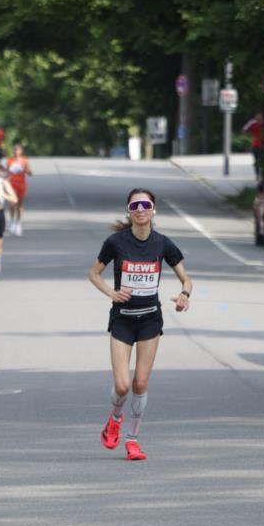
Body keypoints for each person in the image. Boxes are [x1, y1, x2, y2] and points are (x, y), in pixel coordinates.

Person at [88, 188, 192, 461]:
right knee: (122, 386)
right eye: (135, 205)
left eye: (146, 204)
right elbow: (94, 273)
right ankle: (115, 418)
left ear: (154, 210)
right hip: (122, 320)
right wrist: (111, 292)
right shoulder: (115, 242)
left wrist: (184, 296)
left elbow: (186, 279)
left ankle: (133, 440)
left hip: (149, 320)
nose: (141, 209)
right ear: (129, 211)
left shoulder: (163, 244)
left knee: (140, 383)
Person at [5, 141, 33, 235]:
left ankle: (18, 223)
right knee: (12, 203)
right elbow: (7, 172)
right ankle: (12, 221)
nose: (16, 151)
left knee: (20, 205)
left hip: (21, 184)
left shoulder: (24, 160)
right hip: (12, 184)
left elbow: (30, 173)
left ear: (21, 151)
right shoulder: (10, 160)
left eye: (18, 149)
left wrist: (25, 170)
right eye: (14, 149)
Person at [242, 112, 264, 180]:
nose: (259, 117)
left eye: (260, 115)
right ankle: (257, 175)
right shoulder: (252, 122)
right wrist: (251, 136)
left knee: (263, 161)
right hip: (255, 145)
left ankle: (263, 175)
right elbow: (244, 129)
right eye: (258, 115)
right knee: (257, 161)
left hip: (263, 145)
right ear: (255, 116)